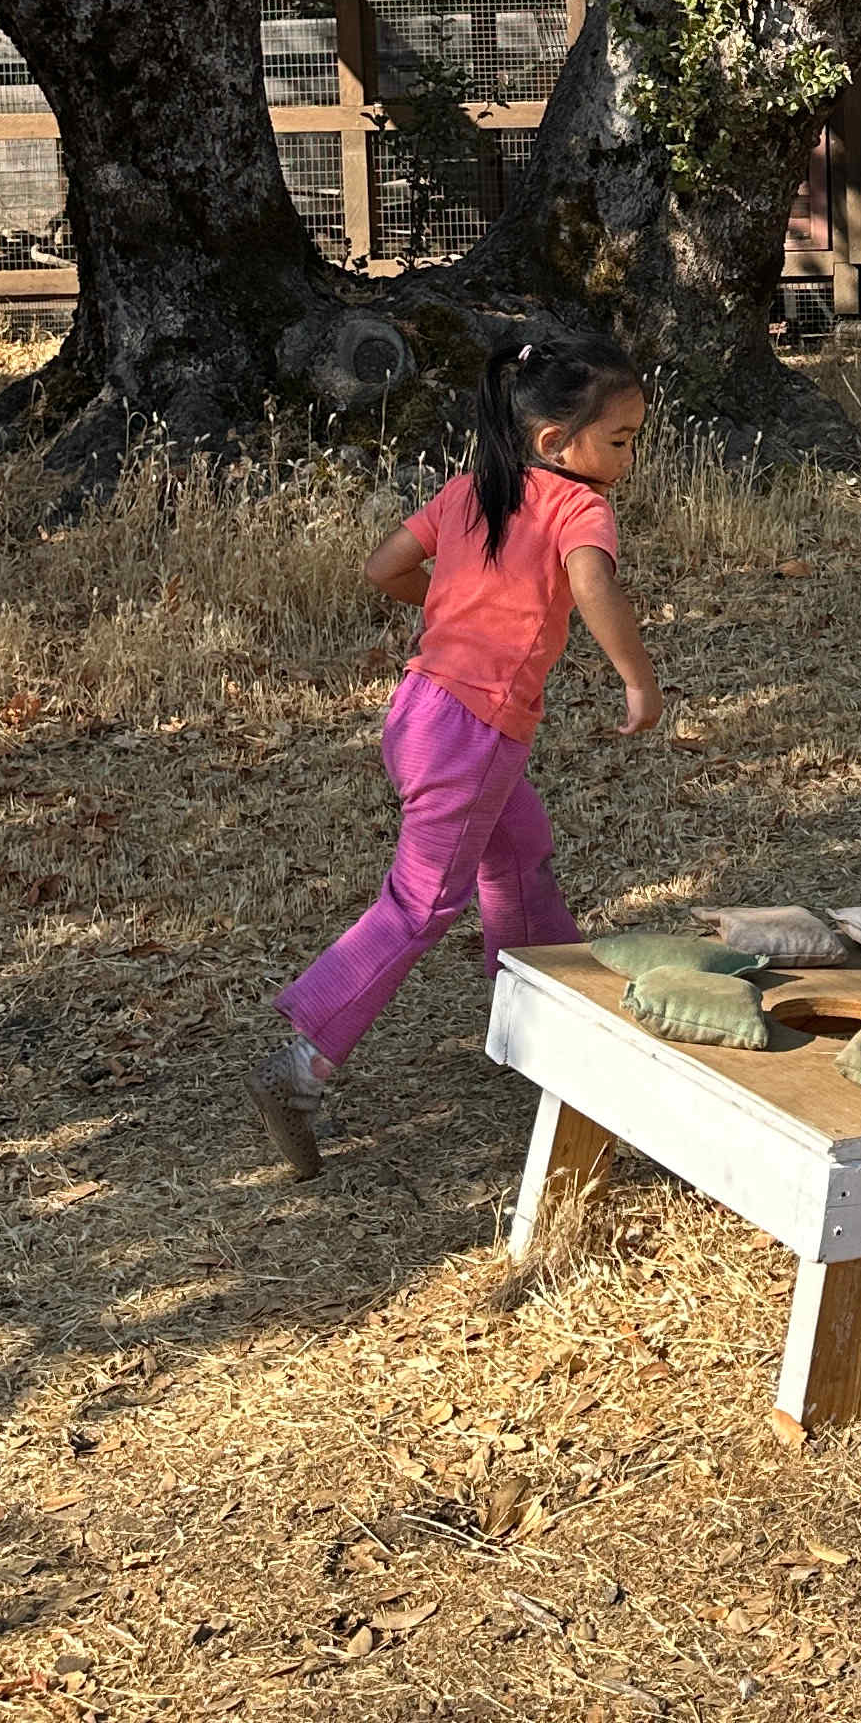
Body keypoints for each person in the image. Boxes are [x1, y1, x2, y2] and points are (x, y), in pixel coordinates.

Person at [248, 327, 661, 1177]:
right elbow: (595, 586)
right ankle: (302, 1061)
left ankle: (554, 1027)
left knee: (518, 857)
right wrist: (637, 681)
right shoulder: (577, 505)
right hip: (474, 733)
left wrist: (455, 609)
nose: (628, 457)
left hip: (421, 712)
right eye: (620, 440)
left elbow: (382, 569)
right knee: (420, 904)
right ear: (556, 441)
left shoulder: (472, 490)